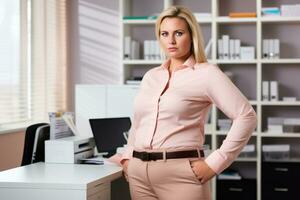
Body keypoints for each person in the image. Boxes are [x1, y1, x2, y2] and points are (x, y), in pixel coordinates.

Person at [120, 5, 257, 200]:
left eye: (178, 33)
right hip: (139, 176)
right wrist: (127, 157)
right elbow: (139, 121)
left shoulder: (206, 73)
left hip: (181, 176)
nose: (171, 40)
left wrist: (214, 164)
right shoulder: (151, 76)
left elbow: (246, 116)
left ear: (191, 35)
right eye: (164, 34)